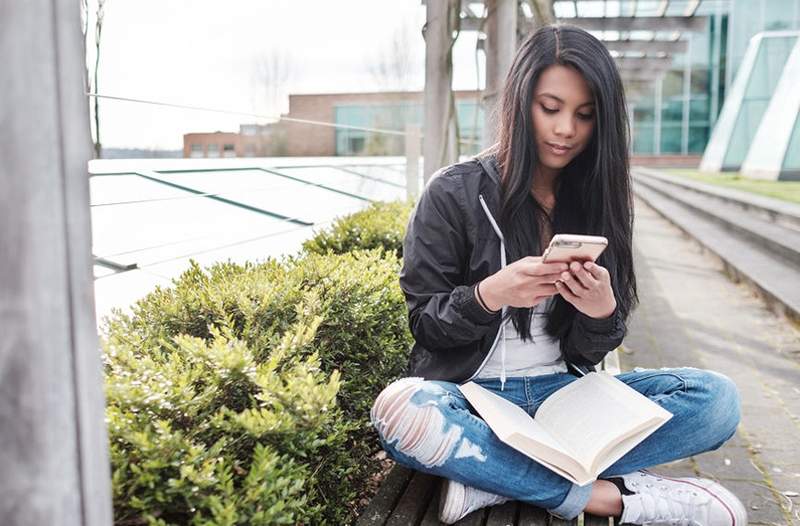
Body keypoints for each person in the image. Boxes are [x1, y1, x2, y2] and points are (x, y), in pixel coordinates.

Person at [369, 24, 747, 526]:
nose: (565, 129)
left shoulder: (598, 198)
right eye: (551, 108)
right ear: (520, 102)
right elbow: (427, 325)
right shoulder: (453, 193)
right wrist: (488, 295)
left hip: (568, 400)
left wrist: (602, 312)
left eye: (584, 115)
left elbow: (588, 354)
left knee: (717, 400)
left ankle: (491, 478)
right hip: (476, 400)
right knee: (401, 407)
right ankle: (613, 499)